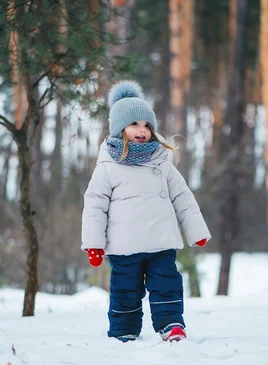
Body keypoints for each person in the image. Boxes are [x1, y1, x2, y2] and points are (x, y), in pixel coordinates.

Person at [81, 80, 211, 343]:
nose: (142, 130)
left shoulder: (161, 162)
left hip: (160, 242)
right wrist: (93, 244)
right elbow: (95, 205)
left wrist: (196, 231)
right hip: (123, 245)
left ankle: (171, 324)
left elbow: (182, 197)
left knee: (166, 283)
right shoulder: (108, 165)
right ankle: (123, 330)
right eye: (134, 125)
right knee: (125, 290)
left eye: (147, 125)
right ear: (120, 129)